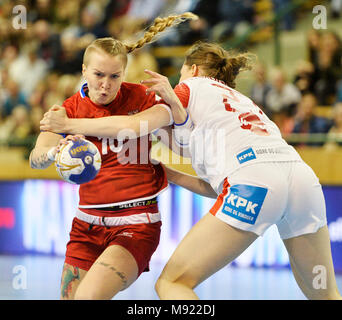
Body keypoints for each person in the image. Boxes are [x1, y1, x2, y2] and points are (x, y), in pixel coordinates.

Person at [41, 41, 342, 300]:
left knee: (172, 282)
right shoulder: (241, 103)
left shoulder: (188, 88)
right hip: (301, 178)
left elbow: (134, 126)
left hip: (254, 180)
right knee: (324, 292)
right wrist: (169, 173)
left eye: (182, 72)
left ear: (193, 70)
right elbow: (217, 186)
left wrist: (66, 126)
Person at [30, 12, 198, 300]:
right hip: (85, 224)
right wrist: (51, 153)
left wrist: (173, 106)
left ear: (124, 74)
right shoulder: (67, 108)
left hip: (136, 223)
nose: (105, 84)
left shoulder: (143, 98)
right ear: (84, 71)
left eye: (114, 76)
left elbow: (142, 131)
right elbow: (36, 155)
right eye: (98, 75)